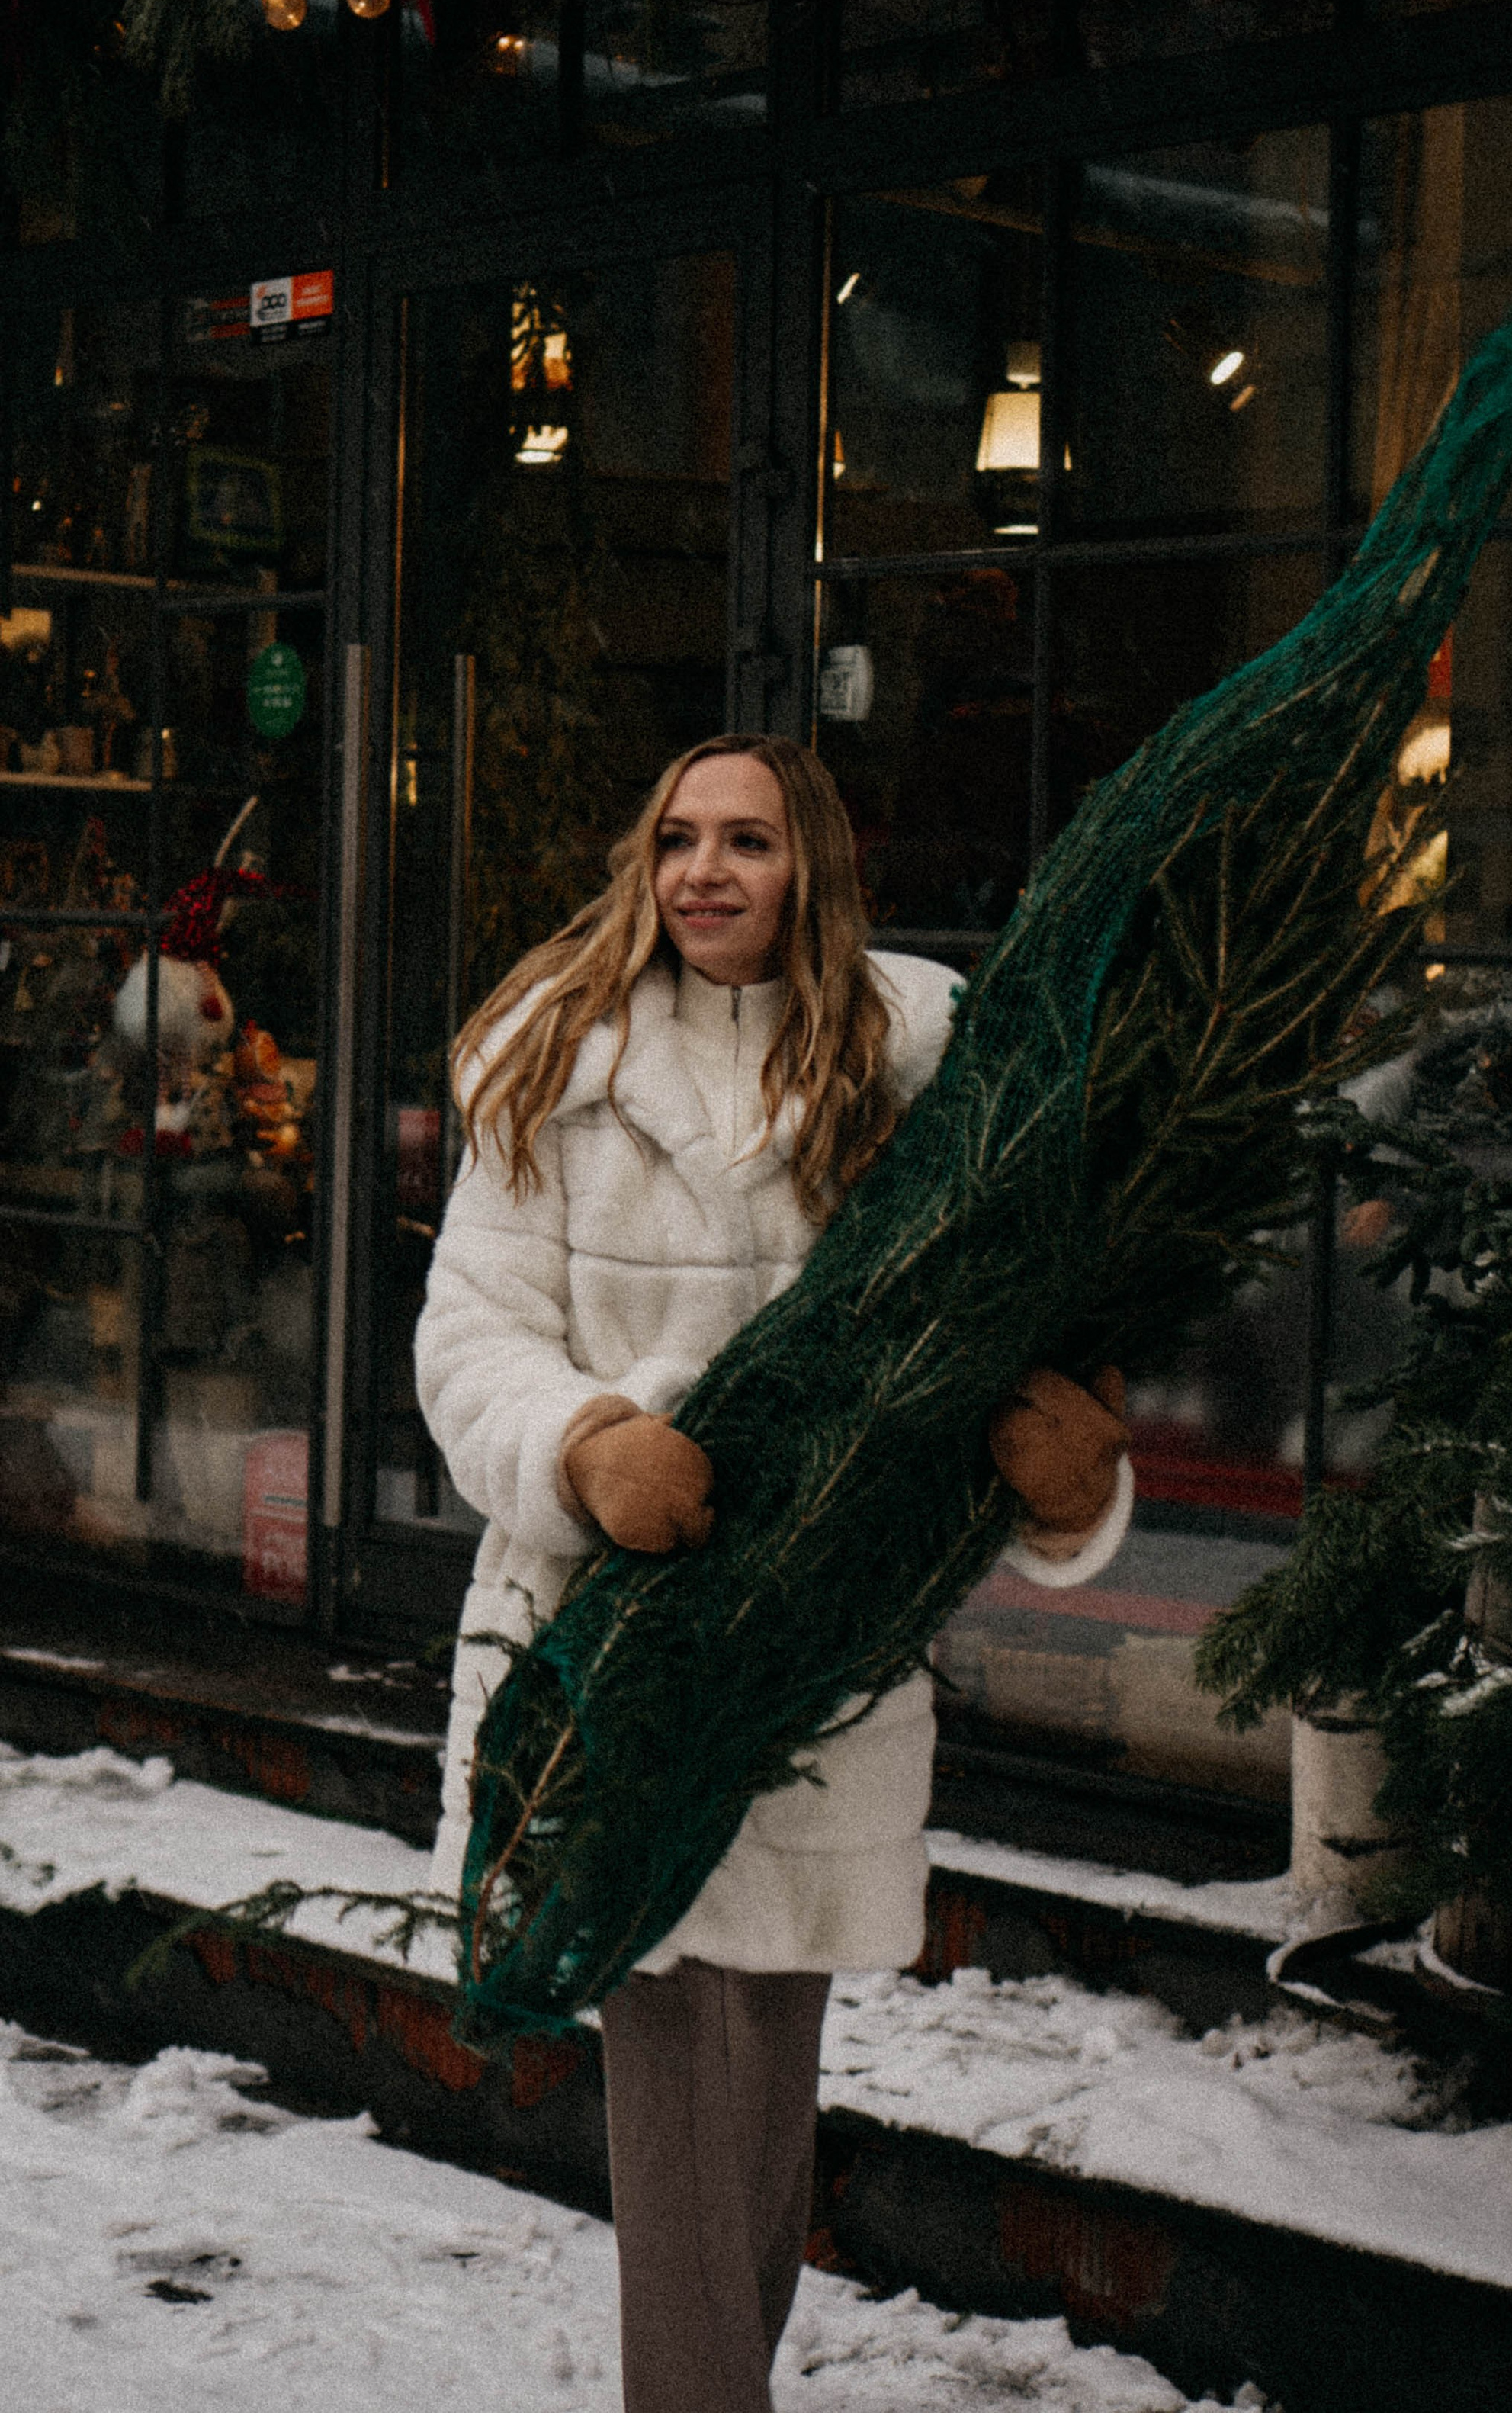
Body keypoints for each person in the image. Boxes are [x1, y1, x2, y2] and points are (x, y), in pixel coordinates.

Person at [416, 734, 1132, 2413]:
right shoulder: (558, 1058)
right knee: (669, 2063)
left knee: (763, 2077)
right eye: (676, 840)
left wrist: (1061, 1473)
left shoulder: (919, 1060)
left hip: (817, 1655)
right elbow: (466, 1336)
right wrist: (587, 1448)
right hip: (607, 1632)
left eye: (745, 840)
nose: (704, 874)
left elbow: (1011, 1328)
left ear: (807, 859)